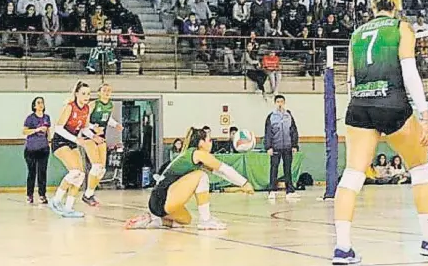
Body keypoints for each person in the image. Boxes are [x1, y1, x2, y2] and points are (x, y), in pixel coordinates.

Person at [334, 0, 428, 264]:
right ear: (395, 2)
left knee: (351, 176)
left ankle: (342, 248)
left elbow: (350, 81)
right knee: (421, 166)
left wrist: (359, 112)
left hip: (359, 106)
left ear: (373, 3)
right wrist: (425, 117)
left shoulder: (357, 34)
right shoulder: (401, 28)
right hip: (393, 105)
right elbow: (410, 73)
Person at [124, 127, 254, 230]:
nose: (211, 143)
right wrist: (245, 183)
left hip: (157, 202)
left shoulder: (191, 155)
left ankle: (152, 219)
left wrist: (242, 185)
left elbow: (220, 173)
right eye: (209, 140)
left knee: (186, 220)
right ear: (201, 143)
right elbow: (224, 168)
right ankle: (206, 220)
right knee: (201, 176)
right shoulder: (197, 153)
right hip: (162, 197)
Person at [48, 81, 99, 218]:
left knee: (81, 175)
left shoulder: (87, 109)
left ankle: (68, 208)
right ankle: (56, 200)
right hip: (60, 141)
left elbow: (84, 128)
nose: (86, 96)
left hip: (73, 142)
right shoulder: (70, 107)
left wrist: (94, 136)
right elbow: (58, 127)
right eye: (83, 93)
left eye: (88, 94)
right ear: (76, 94)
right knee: (75, 171)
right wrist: (77, 139)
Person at [81, 84, 123, 206]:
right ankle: (88, 194)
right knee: (96, 166)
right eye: (104, 90)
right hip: (88, 135)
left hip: (101, 137)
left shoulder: (110, 105)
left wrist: (116, 125)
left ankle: (89, 194)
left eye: (109, 90)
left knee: (102, 170)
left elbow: (106, 118)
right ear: (99, 93)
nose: (107, 92)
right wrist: (93, 129)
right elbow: (84, 121)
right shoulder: (93, 104)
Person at [264, 95, 299, 200]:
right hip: (275, 147)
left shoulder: (289, 116)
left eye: (281, 101)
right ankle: (272, 190)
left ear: (284, 103)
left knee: (287, 169)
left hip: (287, 147)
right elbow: (268, 133)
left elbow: (293, 131)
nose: (280, 103)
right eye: (278, 101)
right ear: (275, 103)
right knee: (274, 169)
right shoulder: (271, 117)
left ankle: (290, 190)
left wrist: (294, 145)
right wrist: (268, 147)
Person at [22, 96, 51, 204]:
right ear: (34, 106)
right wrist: (36, 129)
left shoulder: (47, 117)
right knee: (32, 172)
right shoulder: (30, 118)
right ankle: (29, 195)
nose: (40, 104)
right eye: (38, 103)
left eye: (42, 102)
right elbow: (24, 131)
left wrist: (49, 143)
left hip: (43, 149)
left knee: (42, 172)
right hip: (31, 149)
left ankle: (42, 195)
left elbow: (48, 131)